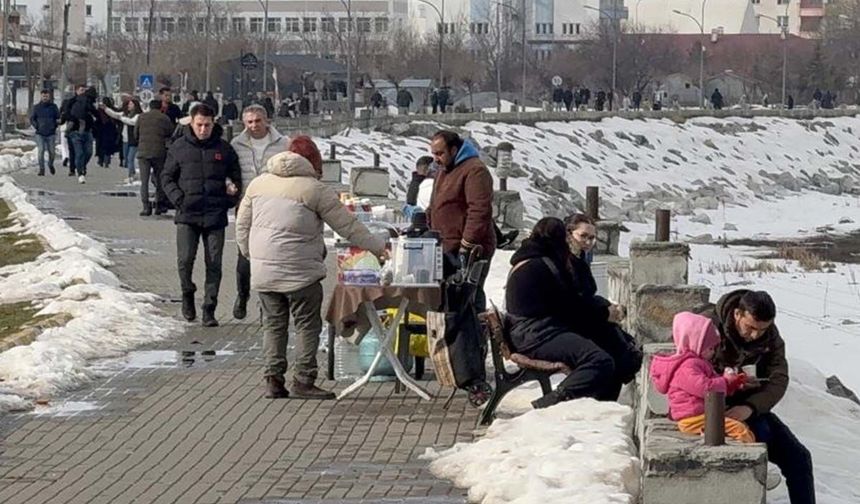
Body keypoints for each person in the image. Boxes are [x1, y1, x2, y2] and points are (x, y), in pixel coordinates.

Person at [236, 136, 387, 399]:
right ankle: (303, 379)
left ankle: (273, 380)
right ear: (313, 162)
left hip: (264, 271)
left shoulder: (258, 184)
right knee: (307, 324)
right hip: (300, 272)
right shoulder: (314, 189)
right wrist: (379, 248)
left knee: (273, 324)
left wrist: (252, 256)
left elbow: (241, 225)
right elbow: (348, 227)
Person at [698, 290, 815, 504]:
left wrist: (751, 407)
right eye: (750, 327)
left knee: (799, 459)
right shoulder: (707, 327)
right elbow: (688, 368)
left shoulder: (771, 337)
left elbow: (779, 378)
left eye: (761, 329)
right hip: (709, 410)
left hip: (750, 407)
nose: (755, 335)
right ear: (737, 314)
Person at [506, 217, 616, 409]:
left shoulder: (530, 260)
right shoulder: (542, 266)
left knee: (606, 342)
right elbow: (569, 307)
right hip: (535, 335)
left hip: (530, 331)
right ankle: (552, 402)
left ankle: (595, 407)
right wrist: (604, 314)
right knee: (599, 360)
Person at [162, 103, 242, 327]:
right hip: (187, 214)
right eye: (199, 125)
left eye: (207, 125)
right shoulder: (179, 147)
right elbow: (166, 178)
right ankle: (187, 292)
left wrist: (229, 199)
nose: (203, 129)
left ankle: (209, 308)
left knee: (214, 262)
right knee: (185, 260)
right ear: (192, 122)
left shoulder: (224, 149)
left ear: (213, 123)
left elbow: (236, 180)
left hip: (215, 216)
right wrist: (179, 199)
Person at [564, 214, 640, 398]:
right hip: (568, 325)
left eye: (592, 238)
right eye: (583, 236)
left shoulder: (579, 259)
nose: (588, 242)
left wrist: (606, 308)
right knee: (616, 351)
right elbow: (573, 302)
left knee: (625, 346)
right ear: (569, 234)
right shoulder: (564, 261)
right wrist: (605, 312)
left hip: (586, 318)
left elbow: (587, 296)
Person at [650, 312, 754, 442]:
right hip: (692, 418)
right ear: (694, 344)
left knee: (741, 425)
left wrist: (733, 383)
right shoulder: (687, 366)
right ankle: (746, 458)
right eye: (710, 348)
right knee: (739, 430)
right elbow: (705, 388)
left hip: (699, 415)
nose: (713, 352)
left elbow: (712, 382)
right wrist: (726, 381)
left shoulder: (696, 362)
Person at [229, 104, 287, 319]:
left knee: (271, 257)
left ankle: (268, 305)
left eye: (258, 121)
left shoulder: (283, 144)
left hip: (274, 207)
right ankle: (242, 295)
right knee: (244, 255)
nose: (254, 125)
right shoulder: (237, 144)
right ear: (244, 124)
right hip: (246, 205)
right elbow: (229, 170)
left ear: (267, 121)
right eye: (250, 122)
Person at [428, 130, 495, 312]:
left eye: (440, 153)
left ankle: (475, 337)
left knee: (468, 299)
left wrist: (467, 242)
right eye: (434, 154)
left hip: (470, 249)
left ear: (454, 150)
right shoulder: (444, 170)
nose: (436, 158)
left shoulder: (475, 170)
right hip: (446, 246)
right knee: (450, 300)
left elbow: (480, 210)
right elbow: (435, 204)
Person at [135, 99, 175, 216]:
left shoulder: (141, 117)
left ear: (150, 107)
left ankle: (146, 207)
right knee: (159, 179)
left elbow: (136, 134)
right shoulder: (164, 118)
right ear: (160, 107)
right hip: (159, 152)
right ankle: (159, 205)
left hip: (143, 153)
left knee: (144, 181)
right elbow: (170, 133)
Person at [103, 98, 142, 184]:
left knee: (130, 158)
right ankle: (132, 174)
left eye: (131, 104)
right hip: (125, 139)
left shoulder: (138, 115)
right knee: (126, 158)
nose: (129, 106)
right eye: (129, 104)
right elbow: (115, 115)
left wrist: (122, 118)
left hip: (134, 140)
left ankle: (131, 176)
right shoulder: (125, 114)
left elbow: (132, 122)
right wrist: (106, 109)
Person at [67, 86, 98, 184]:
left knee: (88, 152)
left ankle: (80, 166)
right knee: (79, 153)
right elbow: (66, 112)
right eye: (81, 90)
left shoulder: (89, 102)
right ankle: (80, 173)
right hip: (75, 131)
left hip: (87, 131)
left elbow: (95, 113)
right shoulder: (73, 101)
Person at [30, 89, 60, 176]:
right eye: (43, 96)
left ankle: (50, 164)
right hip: (40, 133)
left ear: (49, 97)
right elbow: (32, 119)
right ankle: (41, 169)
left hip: (51, 133)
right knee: (41, 150)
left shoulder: (53, 107)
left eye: (46, 96)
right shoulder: (36, 107)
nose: (45, 98)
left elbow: (58, 118)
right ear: (41, 96)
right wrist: (36, 126)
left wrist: (55, 125)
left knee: (52, 152)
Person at [94, 97, 120, 168]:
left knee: (100, 146)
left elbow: (96, 120)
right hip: (110, 130)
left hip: (101, 131)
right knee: (108, 147)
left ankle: (100, 161)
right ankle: (107, 161)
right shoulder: (113, 109)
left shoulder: (99, 110)